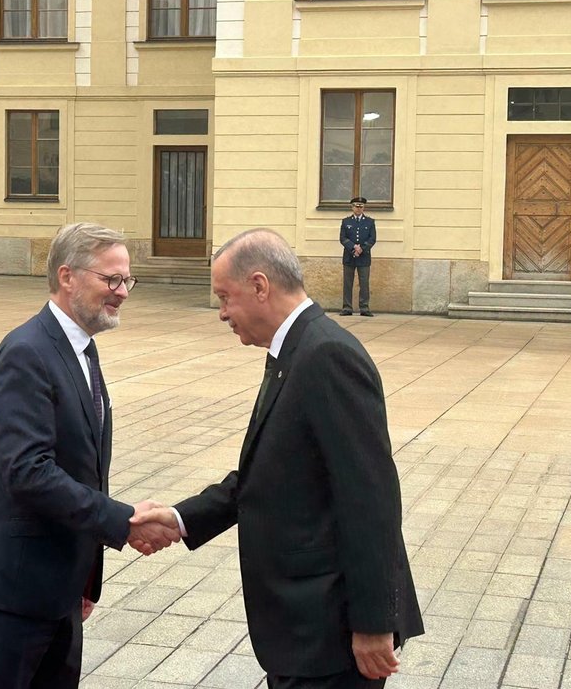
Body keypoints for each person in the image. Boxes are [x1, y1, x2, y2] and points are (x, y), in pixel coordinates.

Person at [131, 228, 423, 688]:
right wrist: (180, 518)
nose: (223, 312)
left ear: (260, 286)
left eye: (226, 297)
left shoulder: (326, 355)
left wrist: (372, 622)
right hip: (304, 632)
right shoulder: (295, 349)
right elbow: (269, 472)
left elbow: (371, 499)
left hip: (331, 633)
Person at [0, 223, 180, 689]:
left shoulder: (81, 349)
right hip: (11, 594)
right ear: (67, 276)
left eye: (127, 281)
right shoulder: (26, 351)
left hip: (59, 589)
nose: (122, 293)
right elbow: (29, 472)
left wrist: (84, 579)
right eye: (111, 280)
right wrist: (123, 519)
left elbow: (84, 469)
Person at [340, 196, 376, 316]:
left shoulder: (370, 222)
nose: (358, 208)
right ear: (352, 207)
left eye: (361, 206)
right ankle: (347, 307)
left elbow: (372, 239)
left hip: (364, 257)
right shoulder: (346, 222)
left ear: (364, 207)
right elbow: (343, 238)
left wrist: (362, 248)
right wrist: (353, 247)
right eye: (356, 206)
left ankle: (364, 308)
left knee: (364, 283)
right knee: (347, 283)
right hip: (349, 257)